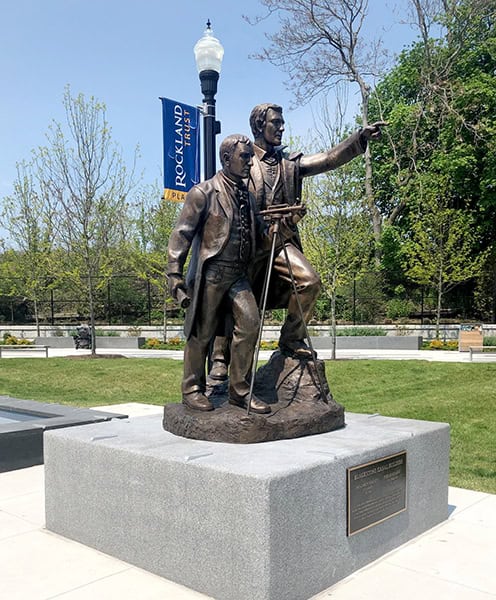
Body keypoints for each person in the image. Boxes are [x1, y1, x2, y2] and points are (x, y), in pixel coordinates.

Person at [209, 104, 385, 380]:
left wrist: (358, 139)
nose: (282, 127)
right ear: (259, 126)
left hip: (282, 240)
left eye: (282, 122)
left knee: (309, 282)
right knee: (235, 297)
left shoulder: (289, 163)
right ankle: (220, 358)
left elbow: (327, 159)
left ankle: (291, 339)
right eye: (276, 122)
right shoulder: (242, 160)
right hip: (248, 243)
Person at [167, 134, 271, 414]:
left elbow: (260, 236)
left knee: (250, 324)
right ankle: (192, 389)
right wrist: (174, 275)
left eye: (250, 157)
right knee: (201, 333)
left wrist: (278, 228)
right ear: (226, 159)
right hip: (211, 274)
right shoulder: (203, 193)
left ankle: (240, 390)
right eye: (244, 157)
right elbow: (181, 234)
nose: (250, 162)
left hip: (239, 275)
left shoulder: (248, 197)